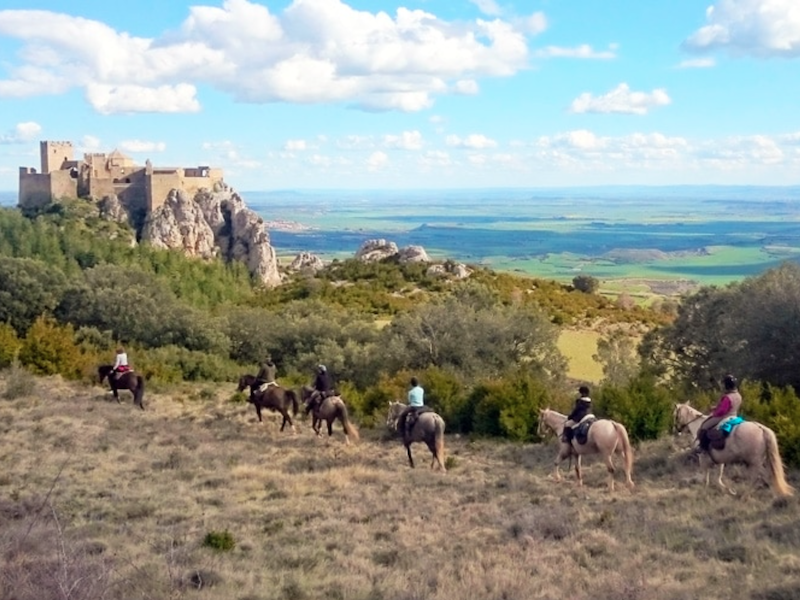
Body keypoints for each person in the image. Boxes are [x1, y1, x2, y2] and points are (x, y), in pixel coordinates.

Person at [697, 374, 742, 452]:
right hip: (734, 416)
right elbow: (730, 407)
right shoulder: (738, 395)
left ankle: (703, 448)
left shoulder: (727, 397)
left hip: (724, 417)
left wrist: (714, 413)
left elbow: (722, 411)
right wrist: (715, 407)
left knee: (704, 427)